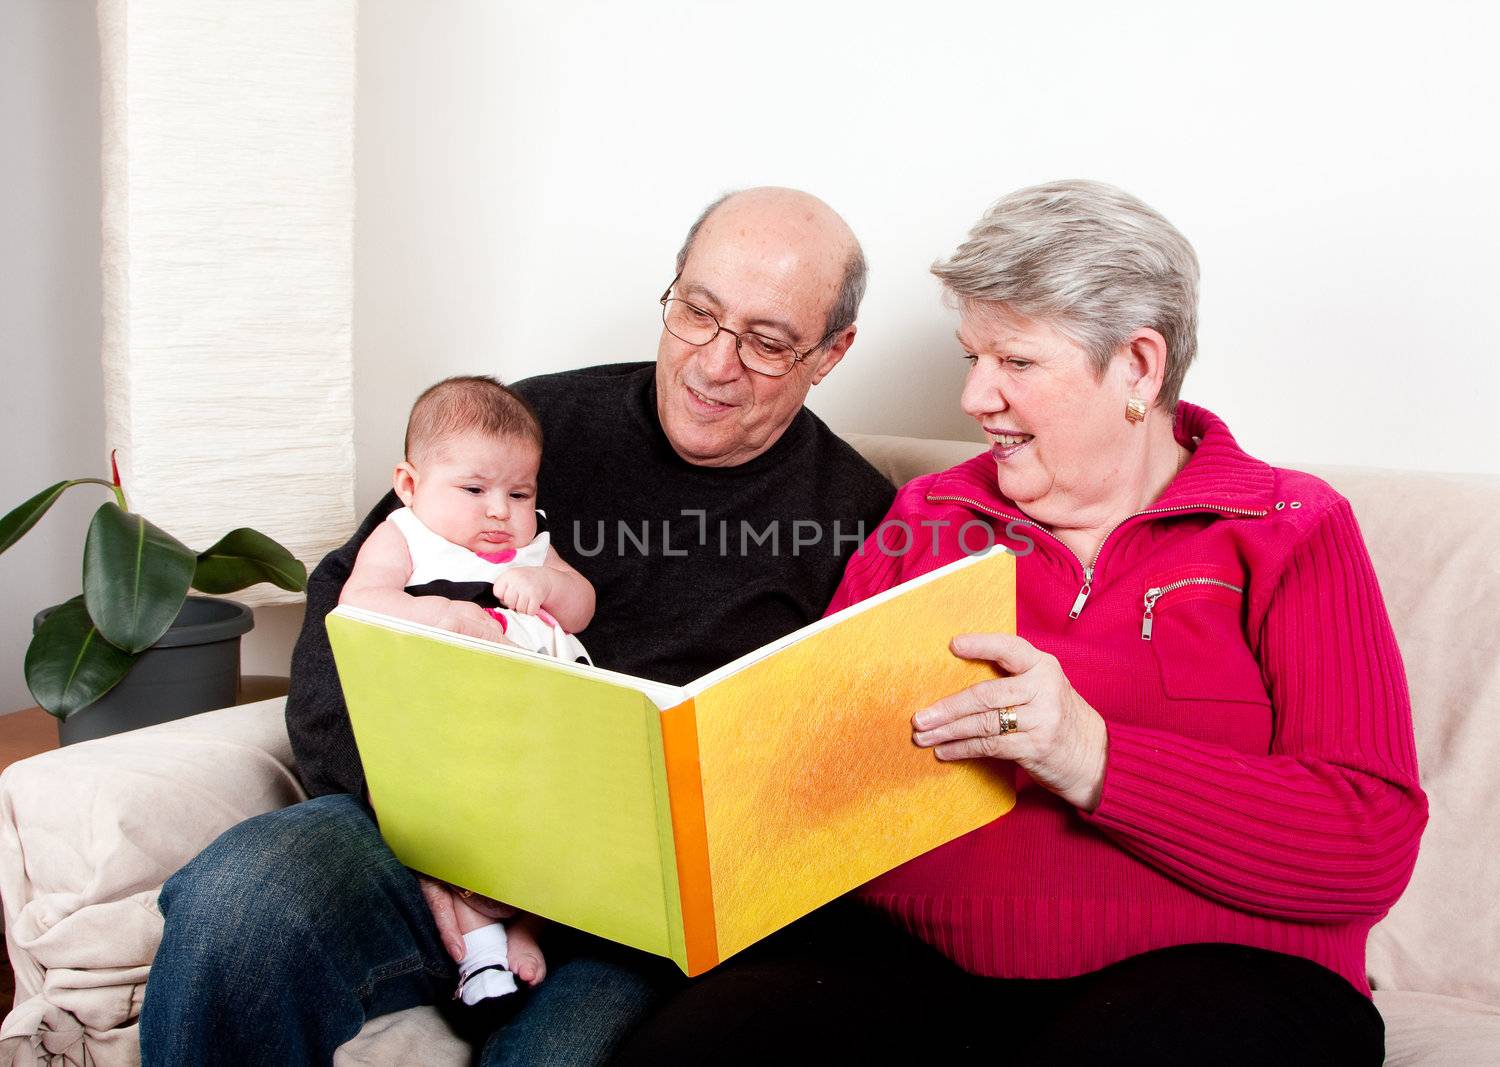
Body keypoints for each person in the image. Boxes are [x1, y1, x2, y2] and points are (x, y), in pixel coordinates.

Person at [613, 181, 1429, 1066]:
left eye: (1016, 363)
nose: (973, 396)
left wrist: (1092, 755)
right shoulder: (933, 515)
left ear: (1138, 368)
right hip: (910, 973)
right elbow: (815, 767)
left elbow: (1368, 840)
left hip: (1213, 978)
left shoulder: (1286, 527)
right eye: (973, 356)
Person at [140, 187, 897, 1065]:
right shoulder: (527, 430)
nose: (714, 364)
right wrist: (419, 832)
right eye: (697, 311)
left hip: (632, 917)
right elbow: (342, 618)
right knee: (238, 904)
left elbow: (841, 776)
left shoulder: (857, 517)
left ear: (831, 353)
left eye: (766, 342)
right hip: (430, 830)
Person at [339, 375, 597, 1006]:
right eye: (475, 489)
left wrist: (547, 587)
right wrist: (449, 617)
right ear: (409, 484)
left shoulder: (532, 545)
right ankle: (482, 957)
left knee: (571, 828)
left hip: (548, 724)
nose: (498, 511)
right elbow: (359, 601)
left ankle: (532, 929)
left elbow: (584, 603)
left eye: (519, 492)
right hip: (460, 726)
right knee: (466, 832)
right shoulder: (406, 536)